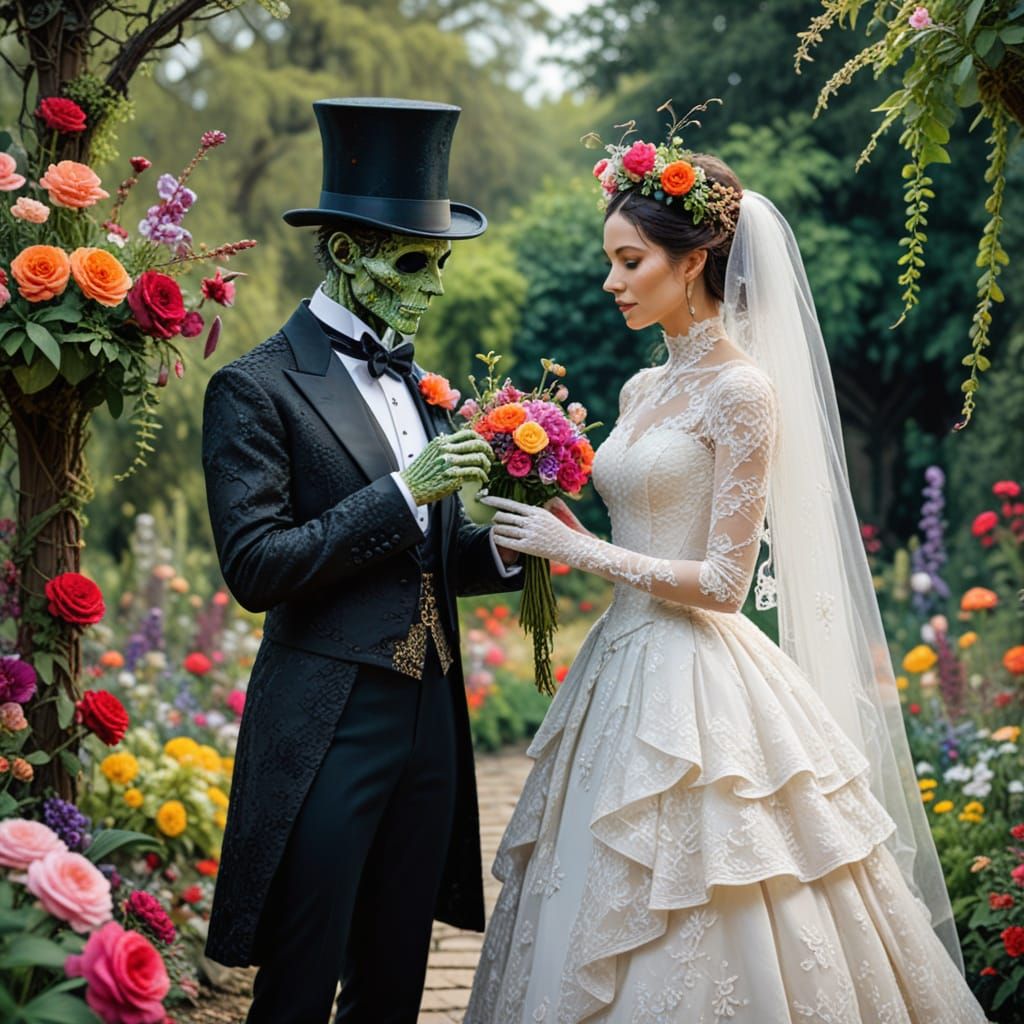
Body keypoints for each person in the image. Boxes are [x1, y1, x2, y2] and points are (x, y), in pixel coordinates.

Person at [466, 118, 989, 1021]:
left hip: (702, 678)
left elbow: (721, 582)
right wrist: (544, 508)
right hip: (618, 669)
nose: (612, 281)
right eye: (612, 260)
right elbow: (644, 520)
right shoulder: (639, 389)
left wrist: (575, 551)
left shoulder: (744, 391)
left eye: (630, 261)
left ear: (695, 258)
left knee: (728, 892)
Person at [201, 98, 522, 1024]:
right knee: (302, 977)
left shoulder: (419, 384)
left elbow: (423, 557)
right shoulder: (255, 388)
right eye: (413, 262)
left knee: (394, 974)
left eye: (440, 263)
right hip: (326, 717)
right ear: (345, 253)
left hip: (430, 714)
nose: (433, 286)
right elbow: (258, 567)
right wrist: (403, 490)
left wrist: (507, 547)